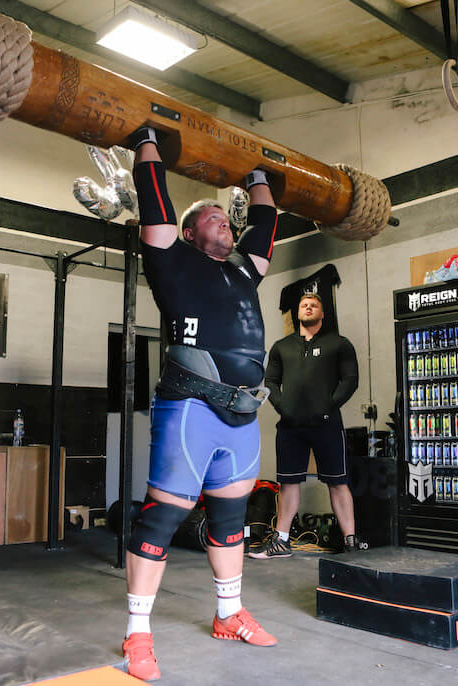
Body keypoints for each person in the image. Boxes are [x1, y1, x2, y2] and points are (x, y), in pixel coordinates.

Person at [121, 126, 279, 681]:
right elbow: (155, 199)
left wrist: (259, 177)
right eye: (211, 215)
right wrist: (148, 143)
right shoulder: (170, 258)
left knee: (232, 518)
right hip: (190, 406)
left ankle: (229, 614)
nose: (224, 220)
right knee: (163, 517)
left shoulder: (243, 270)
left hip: (241, 413)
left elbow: (263, 223)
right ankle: (138, 634)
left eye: (225, 215)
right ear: (188, 232)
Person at [250, 292, 363, 559]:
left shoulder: (339, 344)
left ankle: (350, 542)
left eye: (314, 305)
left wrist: (328, 407)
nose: (309, 307)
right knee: (288, 483)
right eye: (304, 305)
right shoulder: (281, 346)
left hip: (327, 423)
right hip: (290, 426)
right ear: (297, 313)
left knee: (338, 482)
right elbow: (271, 383)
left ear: (322, 314)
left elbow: (350, 380)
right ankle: (281, 542)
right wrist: (283, 409)